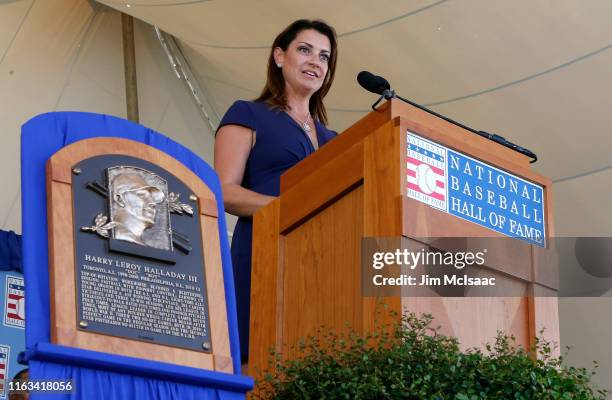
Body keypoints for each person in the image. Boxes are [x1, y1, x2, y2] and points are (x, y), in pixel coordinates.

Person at [214, 19, 338, 365]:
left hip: (324, 262)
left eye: (325, 57)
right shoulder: (248, 114)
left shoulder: (336, 141)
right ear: (279, 56)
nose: (316, 61)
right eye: (305, 50)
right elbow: (222, 191)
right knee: (259, 358)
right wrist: (291, 207)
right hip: (263, 249)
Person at [110, 172, 165, 246]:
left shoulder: (141, 245)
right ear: (119, 199)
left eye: (152, 198)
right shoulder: (118, 234)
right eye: (142, 195)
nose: (152, 203)